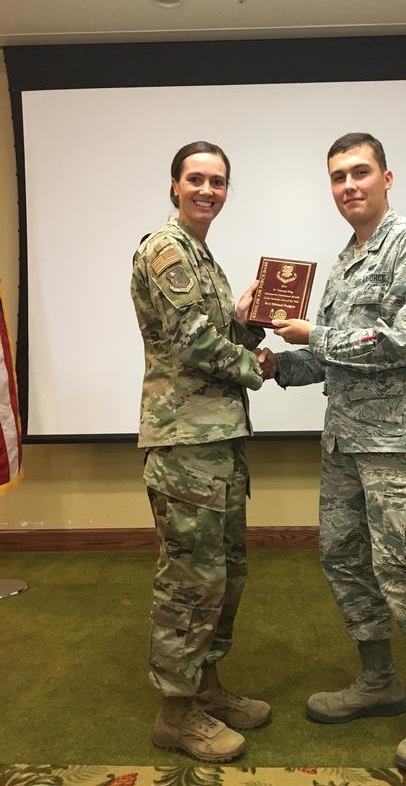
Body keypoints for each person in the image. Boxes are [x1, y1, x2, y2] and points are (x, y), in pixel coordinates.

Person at [259, 132, 406, 772]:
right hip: (347, 446)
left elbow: (401, 342)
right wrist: (272, 362)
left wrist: (317, 334)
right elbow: (332, 361)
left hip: (401, 449)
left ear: (388, 178)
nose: (348, 185)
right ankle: (379, 680)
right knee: (345, 559)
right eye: (337, 177)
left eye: (360, 172)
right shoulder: (345, 260)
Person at [131, 141, 271, 763]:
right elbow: (193, 343)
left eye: (217, 181)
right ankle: (175, 713)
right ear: (174, 184)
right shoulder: (167, 251)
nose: (207, 190)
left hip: (215, 441)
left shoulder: (204, 257)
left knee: (226, 572)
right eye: (196, 179)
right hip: (185, 443)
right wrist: (259, 366)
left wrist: (253, 323)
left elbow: (214, 333)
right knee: (191, 579)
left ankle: (206, 687)